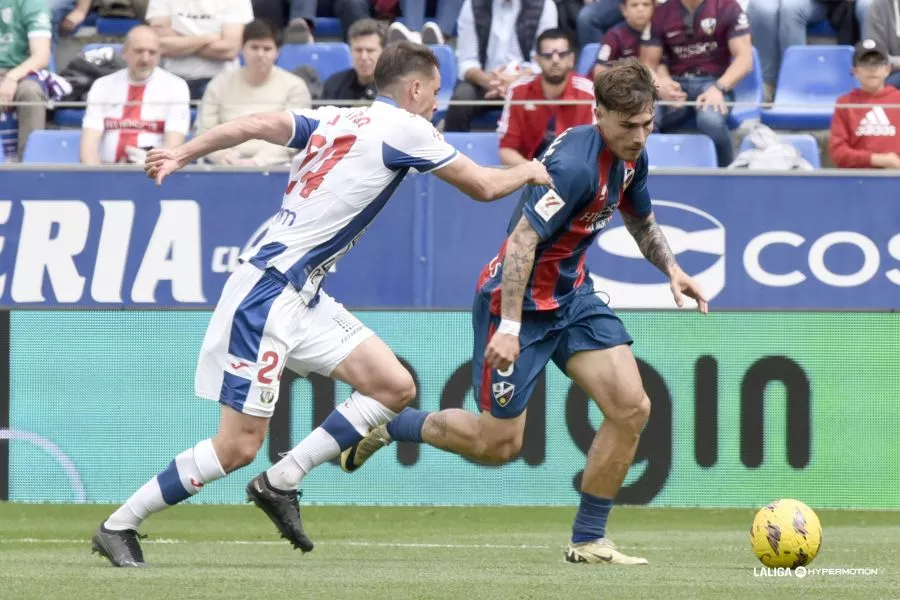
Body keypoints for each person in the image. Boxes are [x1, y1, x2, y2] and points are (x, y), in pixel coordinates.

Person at [90, 41, 551, 568]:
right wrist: (532, 171)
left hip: (301, 291)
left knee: (393, 386)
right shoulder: (407, 127)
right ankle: (119, 524)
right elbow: (486, 186)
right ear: (417, 88)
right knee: (238, 446)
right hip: (268, 295)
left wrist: (183, 152)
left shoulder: (337, 117)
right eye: (435, 94)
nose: (436, 106)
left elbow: (258, 123)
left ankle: (282, 480)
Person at [338, 58, 708, 566]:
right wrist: (510, 326)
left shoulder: (631, 155)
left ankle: (588, 539)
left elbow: (640, 220)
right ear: (598, 113)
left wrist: (673, 268)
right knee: (499, 445)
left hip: (572, 297)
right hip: (516, 305)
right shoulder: (576, 166)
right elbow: (520, 243)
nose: (640, 136)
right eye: (628, 126)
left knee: (632, 407)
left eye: (647, 124)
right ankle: (392, 427)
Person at [640, 0, 753, 167]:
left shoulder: (728, 6)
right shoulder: (662, 12)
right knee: (646, 117)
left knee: (710, 120)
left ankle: (727, 171)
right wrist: (661, 86)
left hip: (714, 82)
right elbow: (647, 64)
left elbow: (745, 60)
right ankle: (648, 172)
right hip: (675, 82)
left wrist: (719, 88)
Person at [199, 19, 311, 166]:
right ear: (242, 49)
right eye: (254, 47)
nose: (260, 54)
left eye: (267, 49)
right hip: (225, 164)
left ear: (278, 52)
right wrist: (221, 156)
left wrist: (257, 162)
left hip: (277, 166)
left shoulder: (295, 86)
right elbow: (204, 131)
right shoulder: (219, 84)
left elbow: (294, 135)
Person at [81, 26, 191, 165]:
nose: (145, 59)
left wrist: (151, 169)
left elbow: (173, 145)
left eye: (152, 52)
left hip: (153, 172)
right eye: (139, 51)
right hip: (106, 171)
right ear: (124, 52)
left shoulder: (176, 86)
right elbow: (88, 147)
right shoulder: (102, 85)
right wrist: (97, 179)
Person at [448, 0, 558, 132]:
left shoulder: (545, 5)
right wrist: (488, 80)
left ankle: (533, 152)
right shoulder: (472, 4)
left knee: (538, 99)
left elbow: (543, 62)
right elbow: (466, 60)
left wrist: (517, 81)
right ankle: (454, 150)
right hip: (484, 80)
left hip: (527, 80)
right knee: (461, 99)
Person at [498, 28, 595, 165]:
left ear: (571, 59)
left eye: (562, 54)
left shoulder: (588, 92)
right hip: (528, 175)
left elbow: (593, 150)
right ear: (537, 60)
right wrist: (534, 174)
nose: (555, 60)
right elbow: (506, 150)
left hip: (574, 174)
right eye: (548, 55)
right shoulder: (518, 91)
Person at [146, 0, 254, 100]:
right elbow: (160, 45)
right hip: (170, 80)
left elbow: (229, 50)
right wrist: (207, 39)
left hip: (220, 82)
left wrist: (179, 43)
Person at [830, 39, 900, 169]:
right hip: (857, 179)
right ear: (855, 71)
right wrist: (878, 159)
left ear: (887, 69)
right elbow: (838, 152)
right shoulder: (844, 103)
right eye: (865, 64)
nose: (872, 69)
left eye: (877, 63)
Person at [0, 0, 51, 159]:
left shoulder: (31, 3)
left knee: (30, 93)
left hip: (21, 72)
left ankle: (29, 164)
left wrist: (11, 78)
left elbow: (41, 56)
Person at [321, 18, 384, 103]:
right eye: (358, 50)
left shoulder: (395, 88)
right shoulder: (334, 85)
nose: (363, 57)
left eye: (370, 50)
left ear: (384, 52)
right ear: (350, 51)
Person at [594, 0, 654, 77]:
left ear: (654, 7)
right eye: (634, 5)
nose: (640, 9)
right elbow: (599, 71)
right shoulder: (614, 36)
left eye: (646, 4)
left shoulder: (659, 31)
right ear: (624, 10)